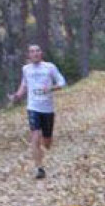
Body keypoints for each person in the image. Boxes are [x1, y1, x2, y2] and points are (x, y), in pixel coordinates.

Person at [7, 44, 66, 180]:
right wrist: (17, 96)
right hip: (33, 107)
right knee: (35, 136)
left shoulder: (49, 67)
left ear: (41, 53)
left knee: (47, 142)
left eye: (37, 51)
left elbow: (62, 82)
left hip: (48, 108)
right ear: (29, 55)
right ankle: (39, 168)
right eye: (32, 52)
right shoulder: (26, 69)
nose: (35, 53)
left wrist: (51, 88)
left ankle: (45, 146)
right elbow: (24, 85)